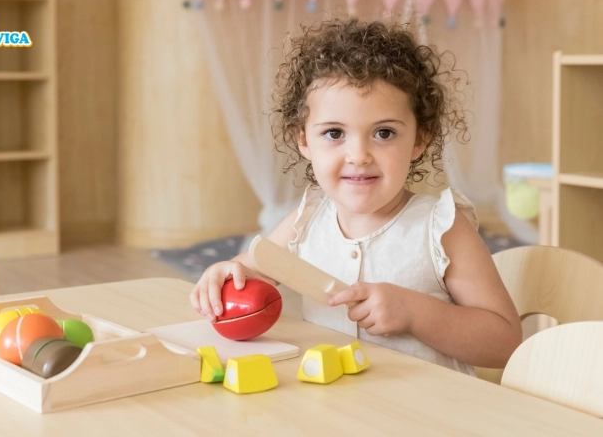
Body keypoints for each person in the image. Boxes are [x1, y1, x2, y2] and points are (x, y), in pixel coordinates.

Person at [190, 18, 521, 375]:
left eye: (383, 133)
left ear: (420, 138)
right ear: (303, 140)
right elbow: (252, 269)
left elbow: (504, 343)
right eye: (334, 133)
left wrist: (415, 312)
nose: (359, 155)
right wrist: (226, 272)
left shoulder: (442, 228)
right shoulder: (306, 220)